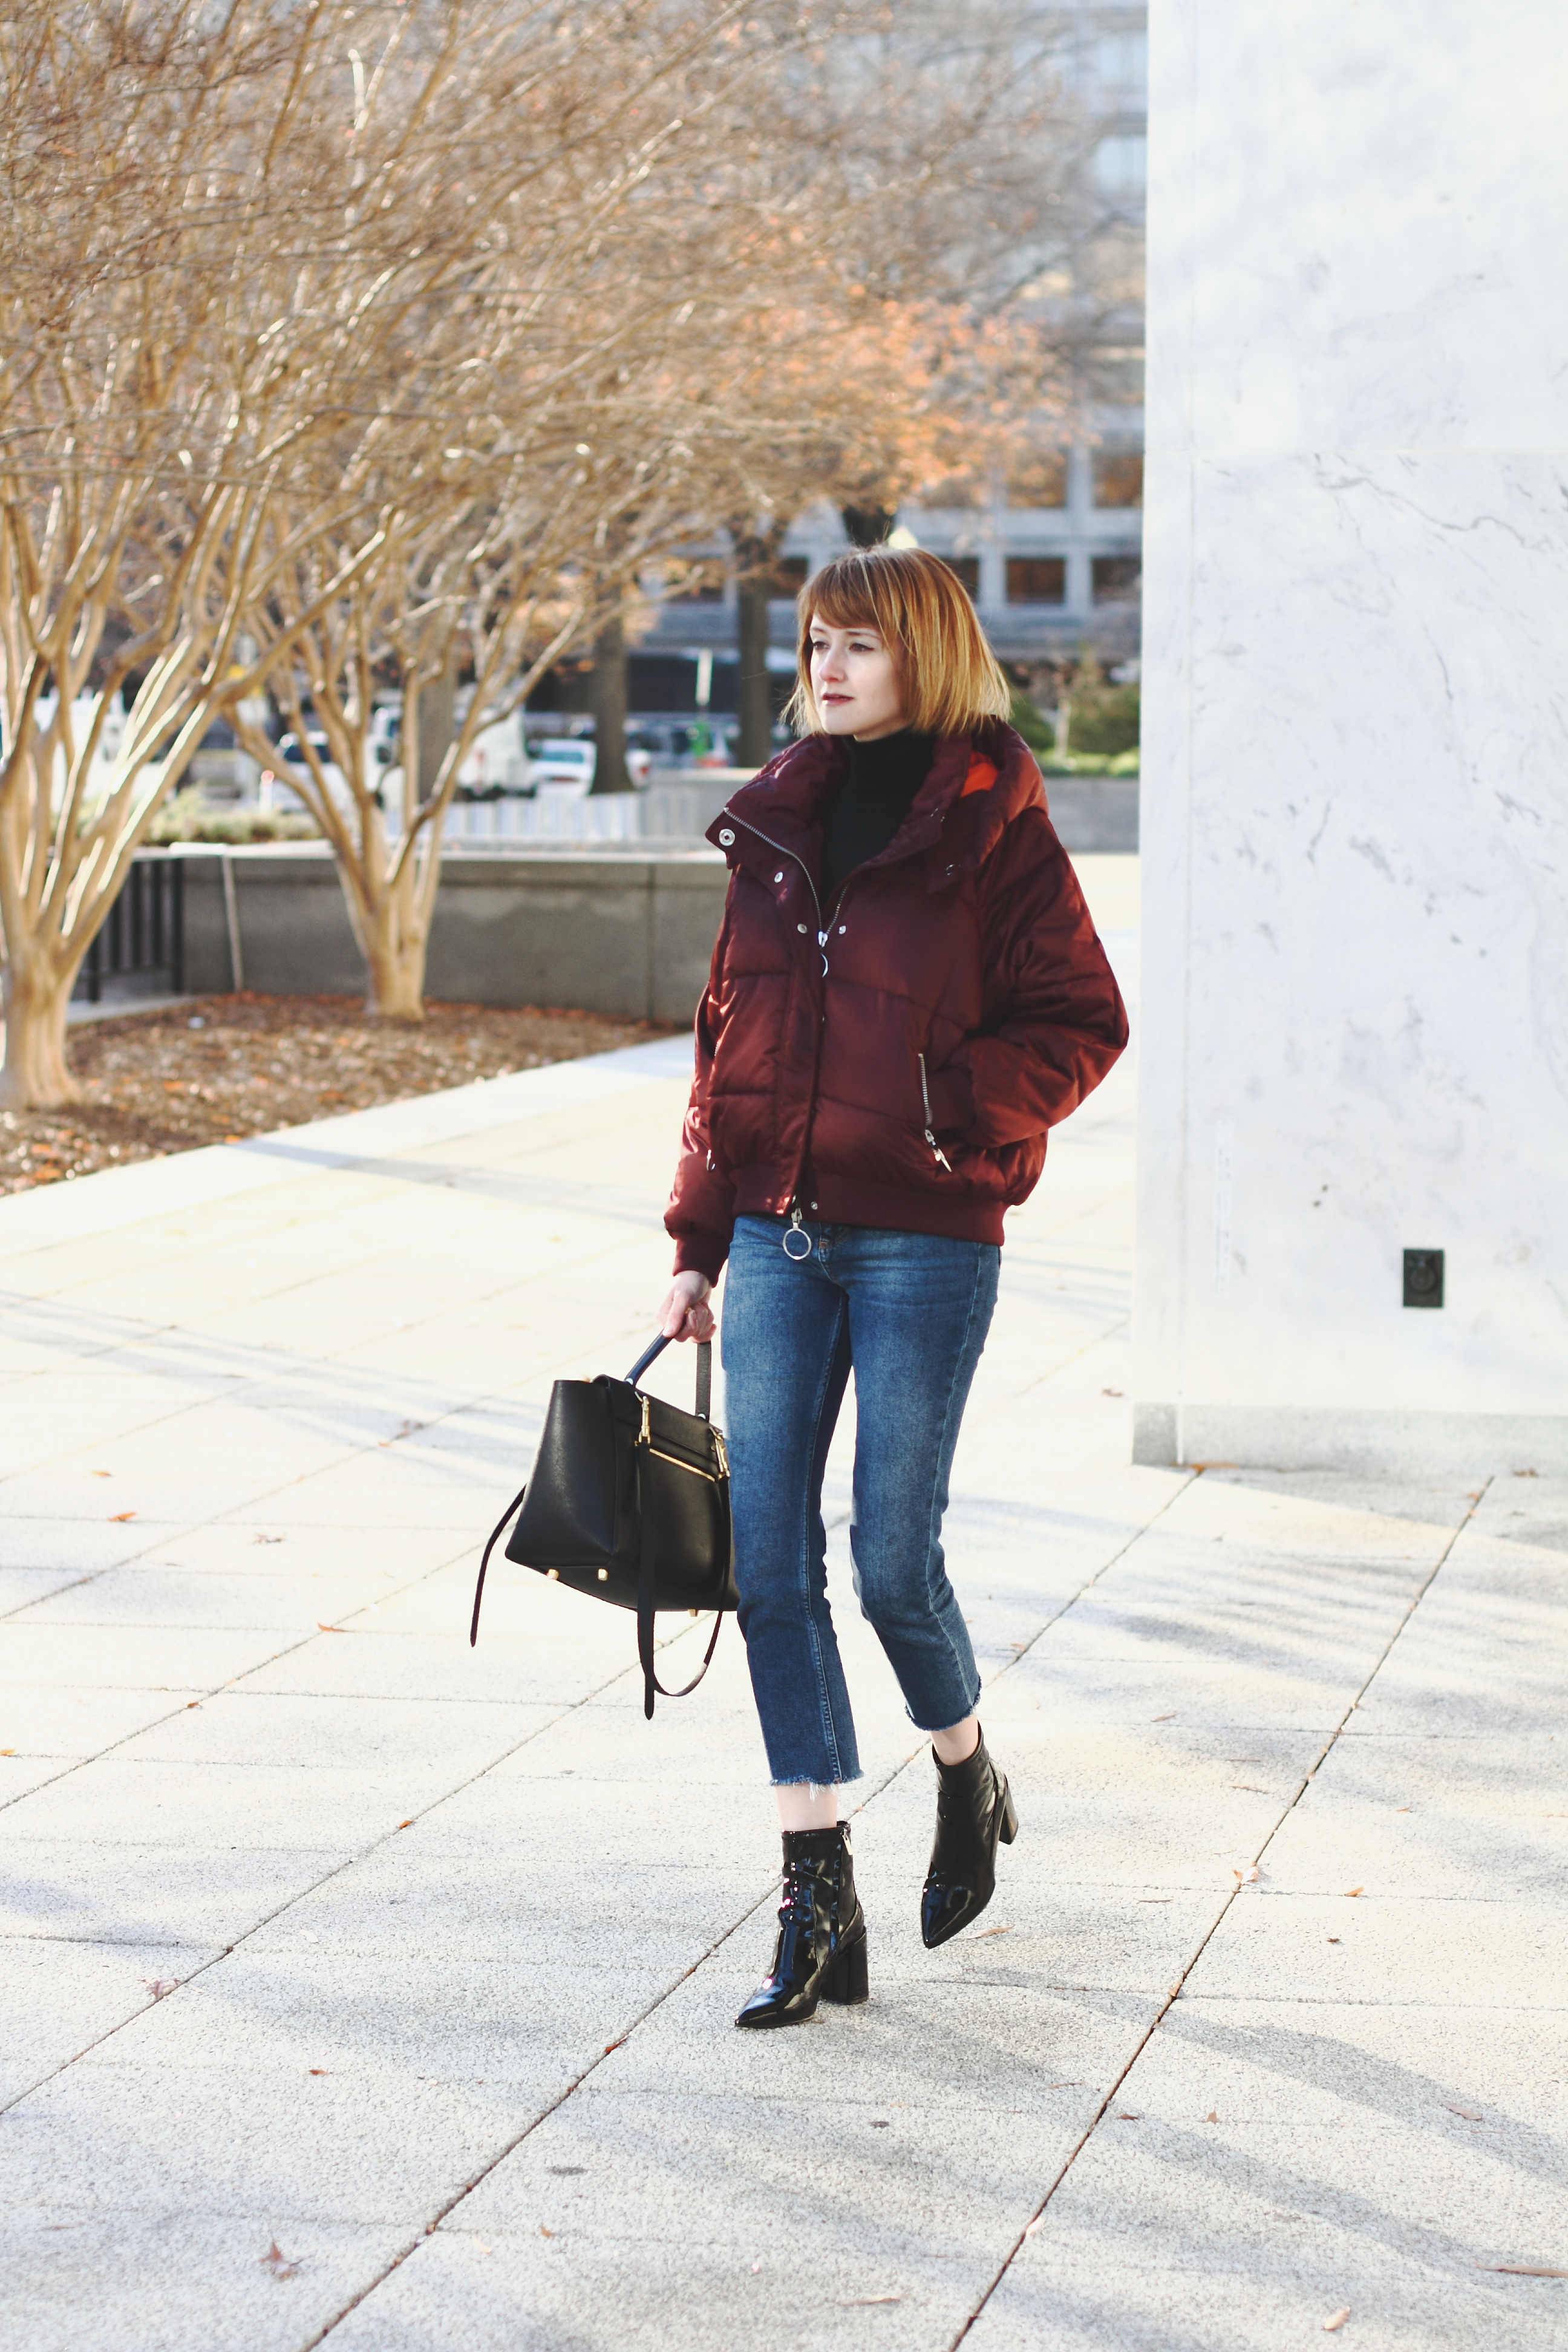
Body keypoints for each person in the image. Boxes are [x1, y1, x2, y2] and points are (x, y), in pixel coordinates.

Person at [658, 547, 1128, 2029]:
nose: (830, 667)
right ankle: (814, 1889)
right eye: (816, 643)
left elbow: (1082, 1022)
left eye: (860, 643)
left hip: (928, 1235)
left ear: (925, 651)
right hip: (782, 1234)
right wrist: (697, 1234)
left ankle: (962, 1759)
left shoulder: (996, 826)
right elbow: (725, 1036)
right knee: (766, 1561)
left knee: (887, 1560)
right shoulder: (782, 816)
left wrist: (943, 1106)